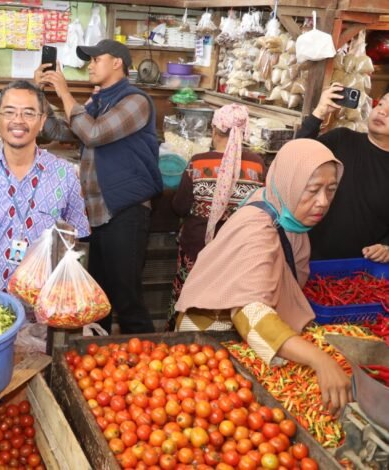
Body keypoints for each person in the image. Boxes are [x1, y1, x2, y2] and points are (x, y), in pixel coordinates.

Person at [174, 139, 352, 416]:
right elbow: (250, 310)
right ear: (289, 183)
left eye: (331, 190)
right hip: (210, 340)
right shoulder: (257, 228)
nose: (323, 202)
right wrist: (320, 360)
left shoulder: (281, 207)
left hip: (240, 336)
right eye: (313, 190)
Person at [35, 39, 162, 334]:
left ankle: (147, 364)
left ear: (117, 62)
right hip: (97, 213)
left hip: (125, 210)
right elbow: (59, 130)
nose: (90, 65)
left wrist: (65, 92)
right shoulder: (97, 101)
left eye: (96, 59)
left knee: (126, 297)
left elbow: (92, 133)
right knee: (96, 299)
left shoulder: (136, 100)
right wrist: (40, 94)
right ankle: (99, 364)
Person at [0, 81, 90, 290]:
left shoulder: (65, 174)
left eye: (29, 113)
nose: (18, 120)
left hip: (43, 300)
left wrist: (69, 294)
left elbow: (76, 239)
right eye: (10, 112)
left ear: (42, 121)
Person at [169, 104, 266, 328]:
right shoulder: (257, 165)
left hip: (197, 247)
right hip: (237, 251)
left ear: (214, 130)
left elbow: (180, 206)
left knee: (188, 299)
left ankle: (181, 335)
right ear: (243, 132)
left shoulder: (198, 162)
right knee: (227, 302)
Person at [295, 84, 389, 262]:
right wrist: (318, 114)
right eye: (381, 104)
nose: (382, 112)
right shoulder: (341, 139)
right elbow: (293, 157)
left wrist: (386, 246)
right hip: (305, 258)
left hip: (358, 271)